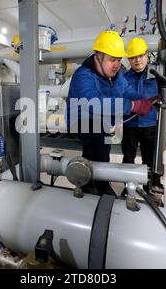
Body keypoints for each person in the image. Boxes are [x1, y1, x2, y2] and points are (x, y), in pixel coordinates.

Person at [66, 30, 155, 196]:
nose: (116, 64)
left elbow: (127, 91)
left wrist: (144, 100)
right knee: (98, 137)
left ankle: (91, 178)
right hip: (81, 121)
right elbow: (95, 103)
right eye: (112, 59)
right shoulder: (83, 76)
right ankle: (97, 184)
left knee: (101, 147)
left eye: (119, 59)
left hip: (102, 121)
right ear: (98, 56)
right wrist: (132, 105)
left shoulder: (116, 75)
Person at [122, 37, 159, 169]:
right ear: (128, 59)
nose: (137, 60)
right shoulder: (124, 79)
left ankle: (148, 188)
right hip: (129, 125)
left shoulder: (157, 76)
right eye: (133, 57)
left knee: (149, 161)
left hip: (150, 125)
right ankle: (128, 187)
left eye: (140, 56)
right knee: (127, 159)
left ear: (147, 55)